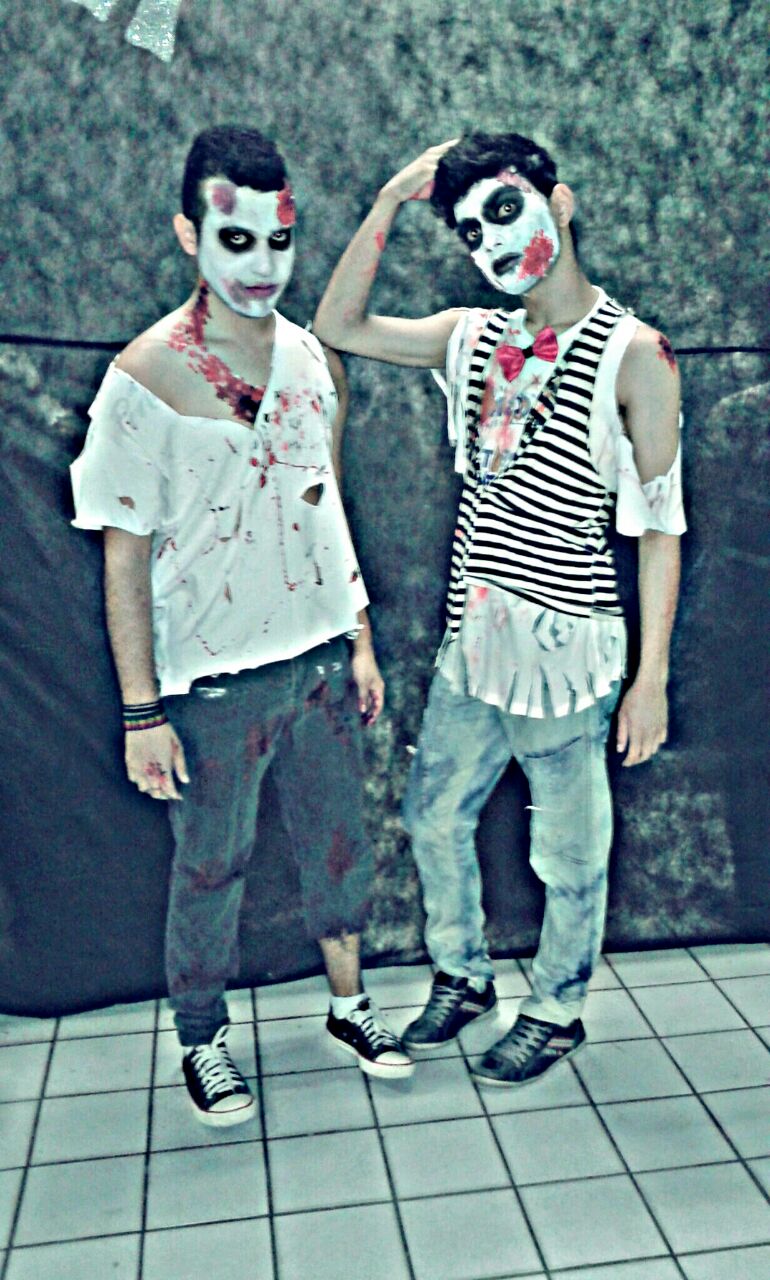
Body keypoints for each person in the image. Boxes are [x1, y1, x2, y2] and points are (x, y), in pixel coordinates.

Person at [314, 131, 685, 1087]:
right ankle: (463, 974)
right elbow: (339, 324)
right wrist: (391, 199)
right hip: (473, 642)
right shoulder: (472, 335)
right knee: (433, 815)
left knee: (569, 850)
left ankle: (556, 1008)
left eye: (507, 210)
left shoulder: (635, 354)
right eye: (472, 230)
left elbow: (659, 528)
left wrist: (650, 679)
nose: (492, 241)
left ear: (560, 203)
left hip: (566, 646)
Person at [70, 124, 413, 1127]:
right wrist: (142, 712)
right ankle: (202, 1037)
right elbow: (122, 559)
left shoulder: (309, 358)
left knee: (340, 845)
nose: (261, 265)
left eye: (278, 240)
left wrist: (357, 635)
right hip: (214, 682)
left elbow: (326, 503)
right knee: (211, 866)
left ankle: (349, 1006)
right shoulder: (143, 380)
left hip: (319, 662)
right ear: (189, 234)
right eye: (235, 240)